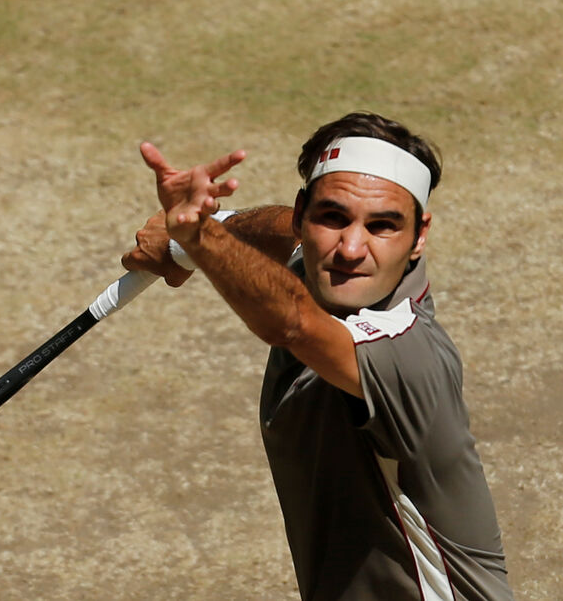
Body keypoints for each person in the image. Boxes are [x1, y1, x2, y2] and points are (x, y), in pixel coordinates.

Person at [122, 112, 513, 600]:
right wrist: (220, 223)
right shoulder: (325, 266)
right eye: (333, 217)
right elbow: (280, 234)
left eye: (383, 226)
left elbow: (293, 323)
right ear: (302, 214)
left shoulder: (408, 353)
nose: (351, 248)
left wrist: (198, 237)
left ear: (419, 236)